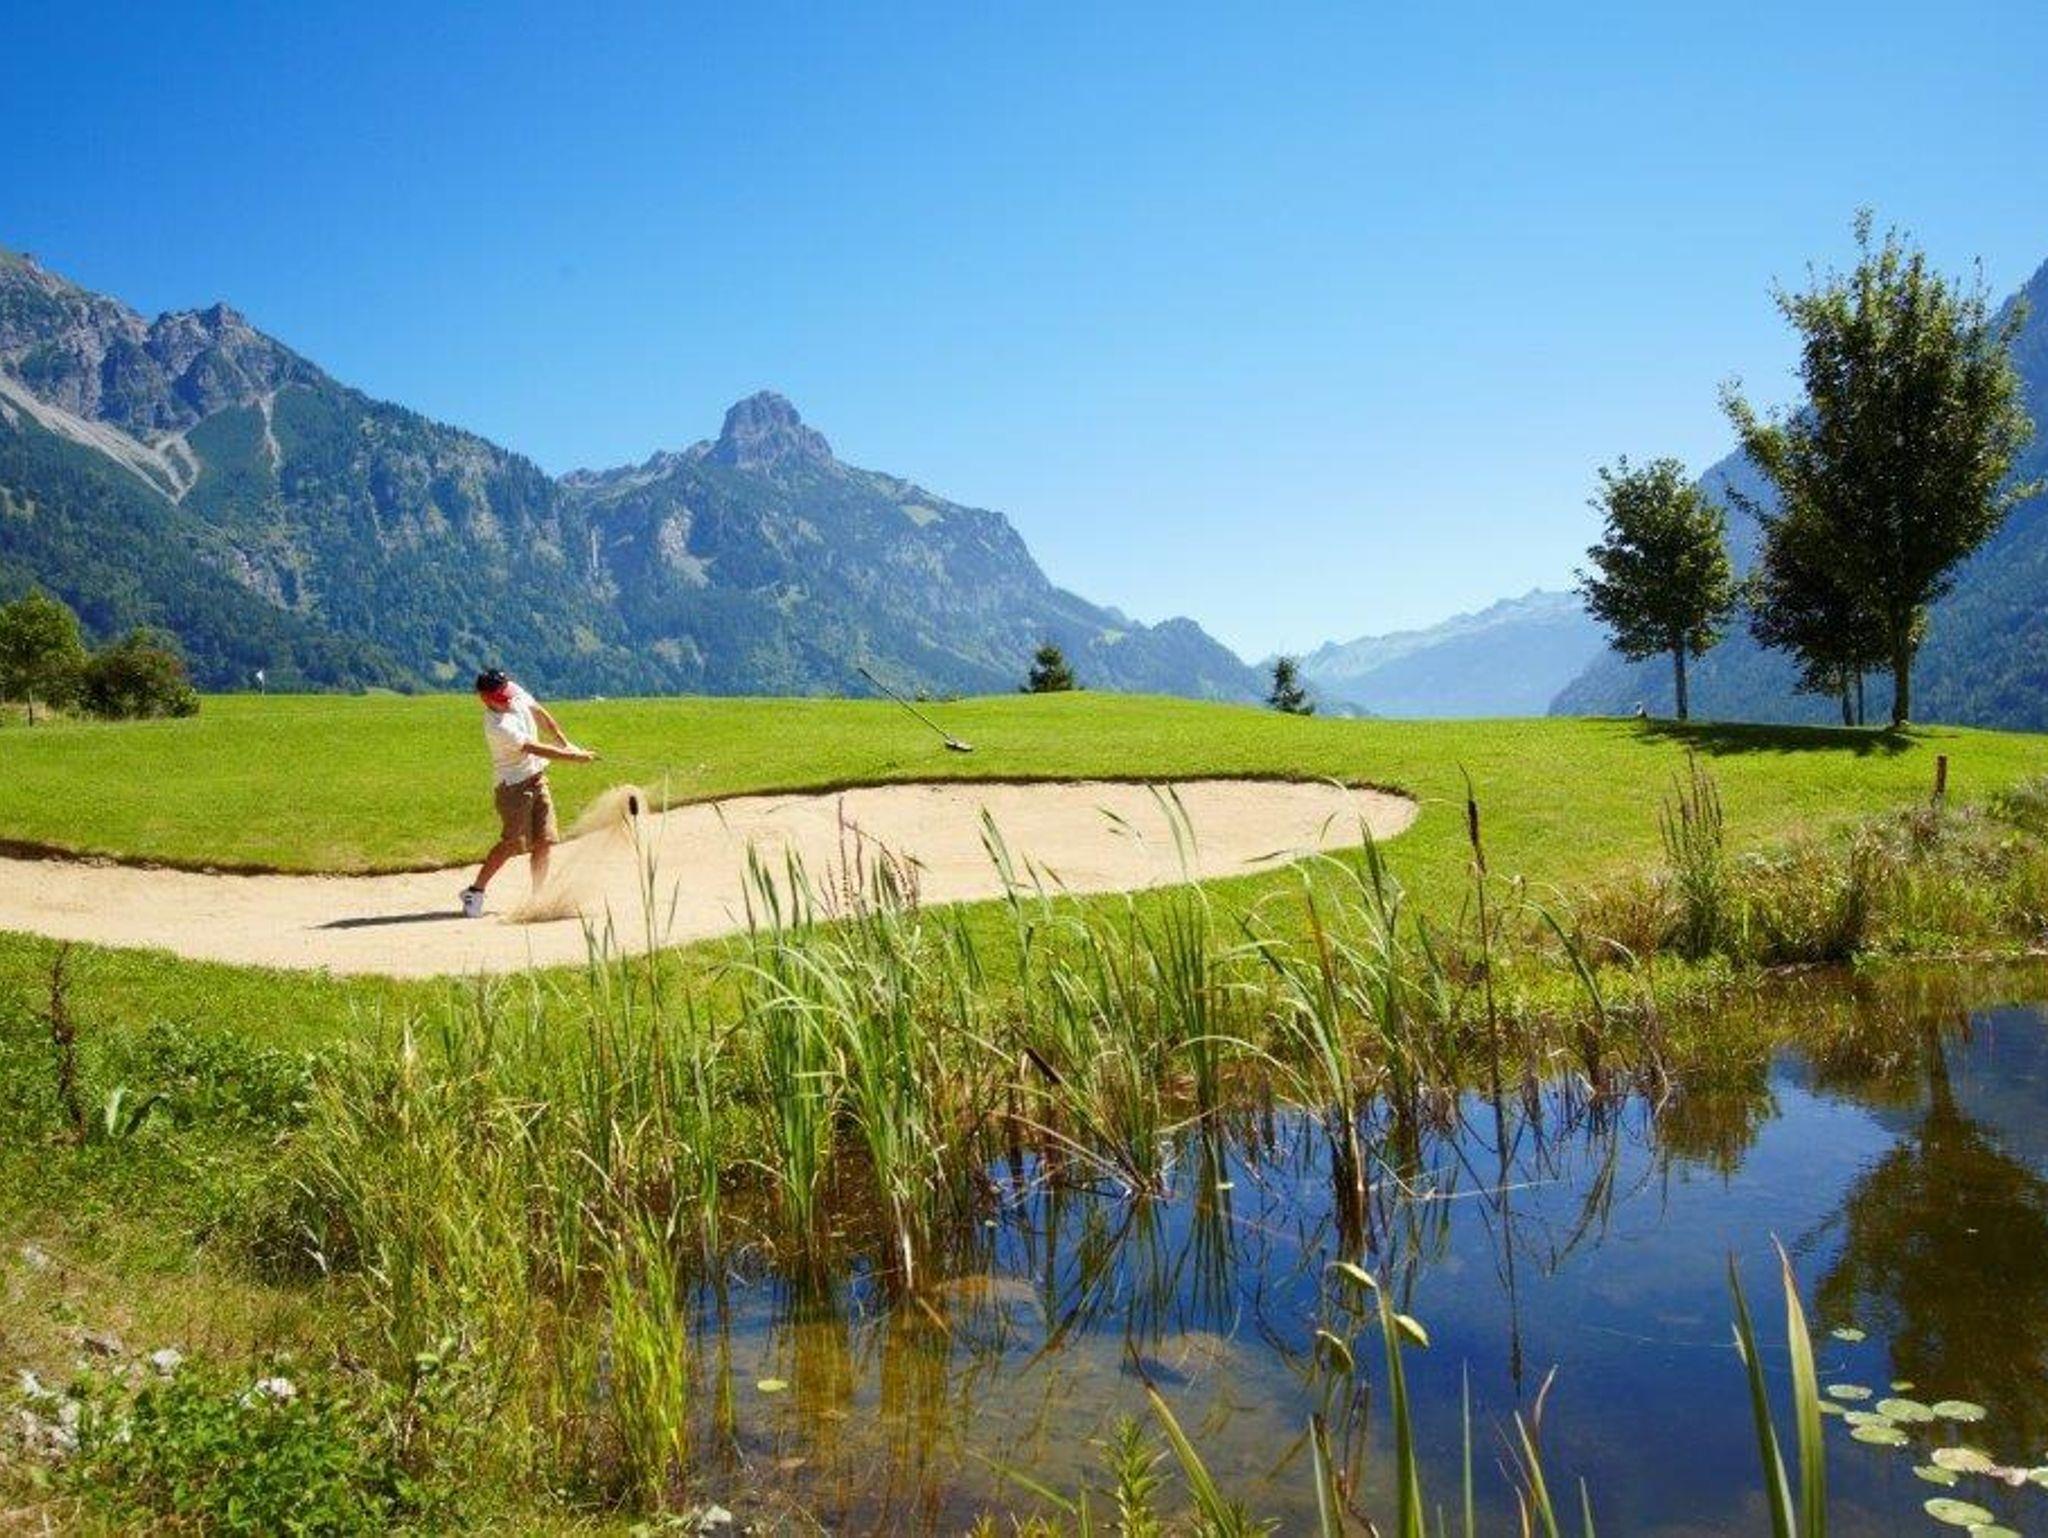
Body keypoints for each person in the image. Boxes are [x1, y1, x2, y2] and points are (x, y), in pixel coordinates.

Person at [459, 669, 597, 918]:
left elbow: (539, 712)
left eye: (507, 692)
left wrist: (564, 742)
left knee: (545, 841)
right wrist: (574, 757)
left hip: (537, 778)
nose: (509, 699)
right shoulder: (498, 726)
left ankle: (538, 898)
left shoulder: (513, 693)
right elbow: (534, 748)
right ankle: (475, 891)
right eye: (501, 697)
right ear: (485, 698)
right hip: (513, 787)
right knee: (512, 843)